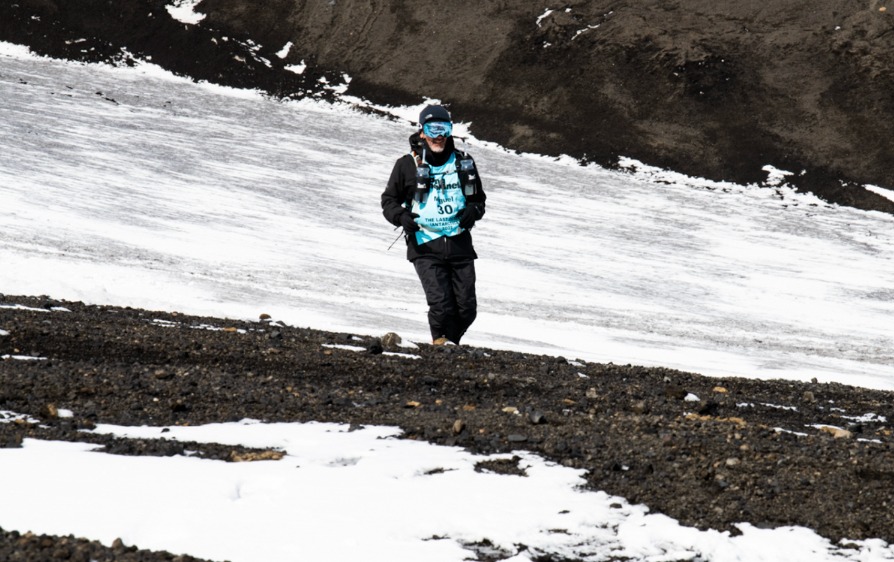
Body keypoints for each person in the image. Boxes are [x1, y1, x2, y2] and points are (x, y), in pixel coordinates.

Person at [382, 104, 487, 345]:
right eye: (432, 128)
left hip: (459, 243)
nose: (438, 135)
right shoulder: (406, 165)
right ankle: (441, 346)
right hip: (424, 245)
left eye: (444, 128)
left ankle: (448, 343)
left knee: (467, 308)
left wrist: (473, 210)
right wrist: (401, 217)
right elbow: (388, 201)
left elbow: (478, 200)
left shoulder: (464, 162)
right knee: (441, 304)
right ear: (422, 131)